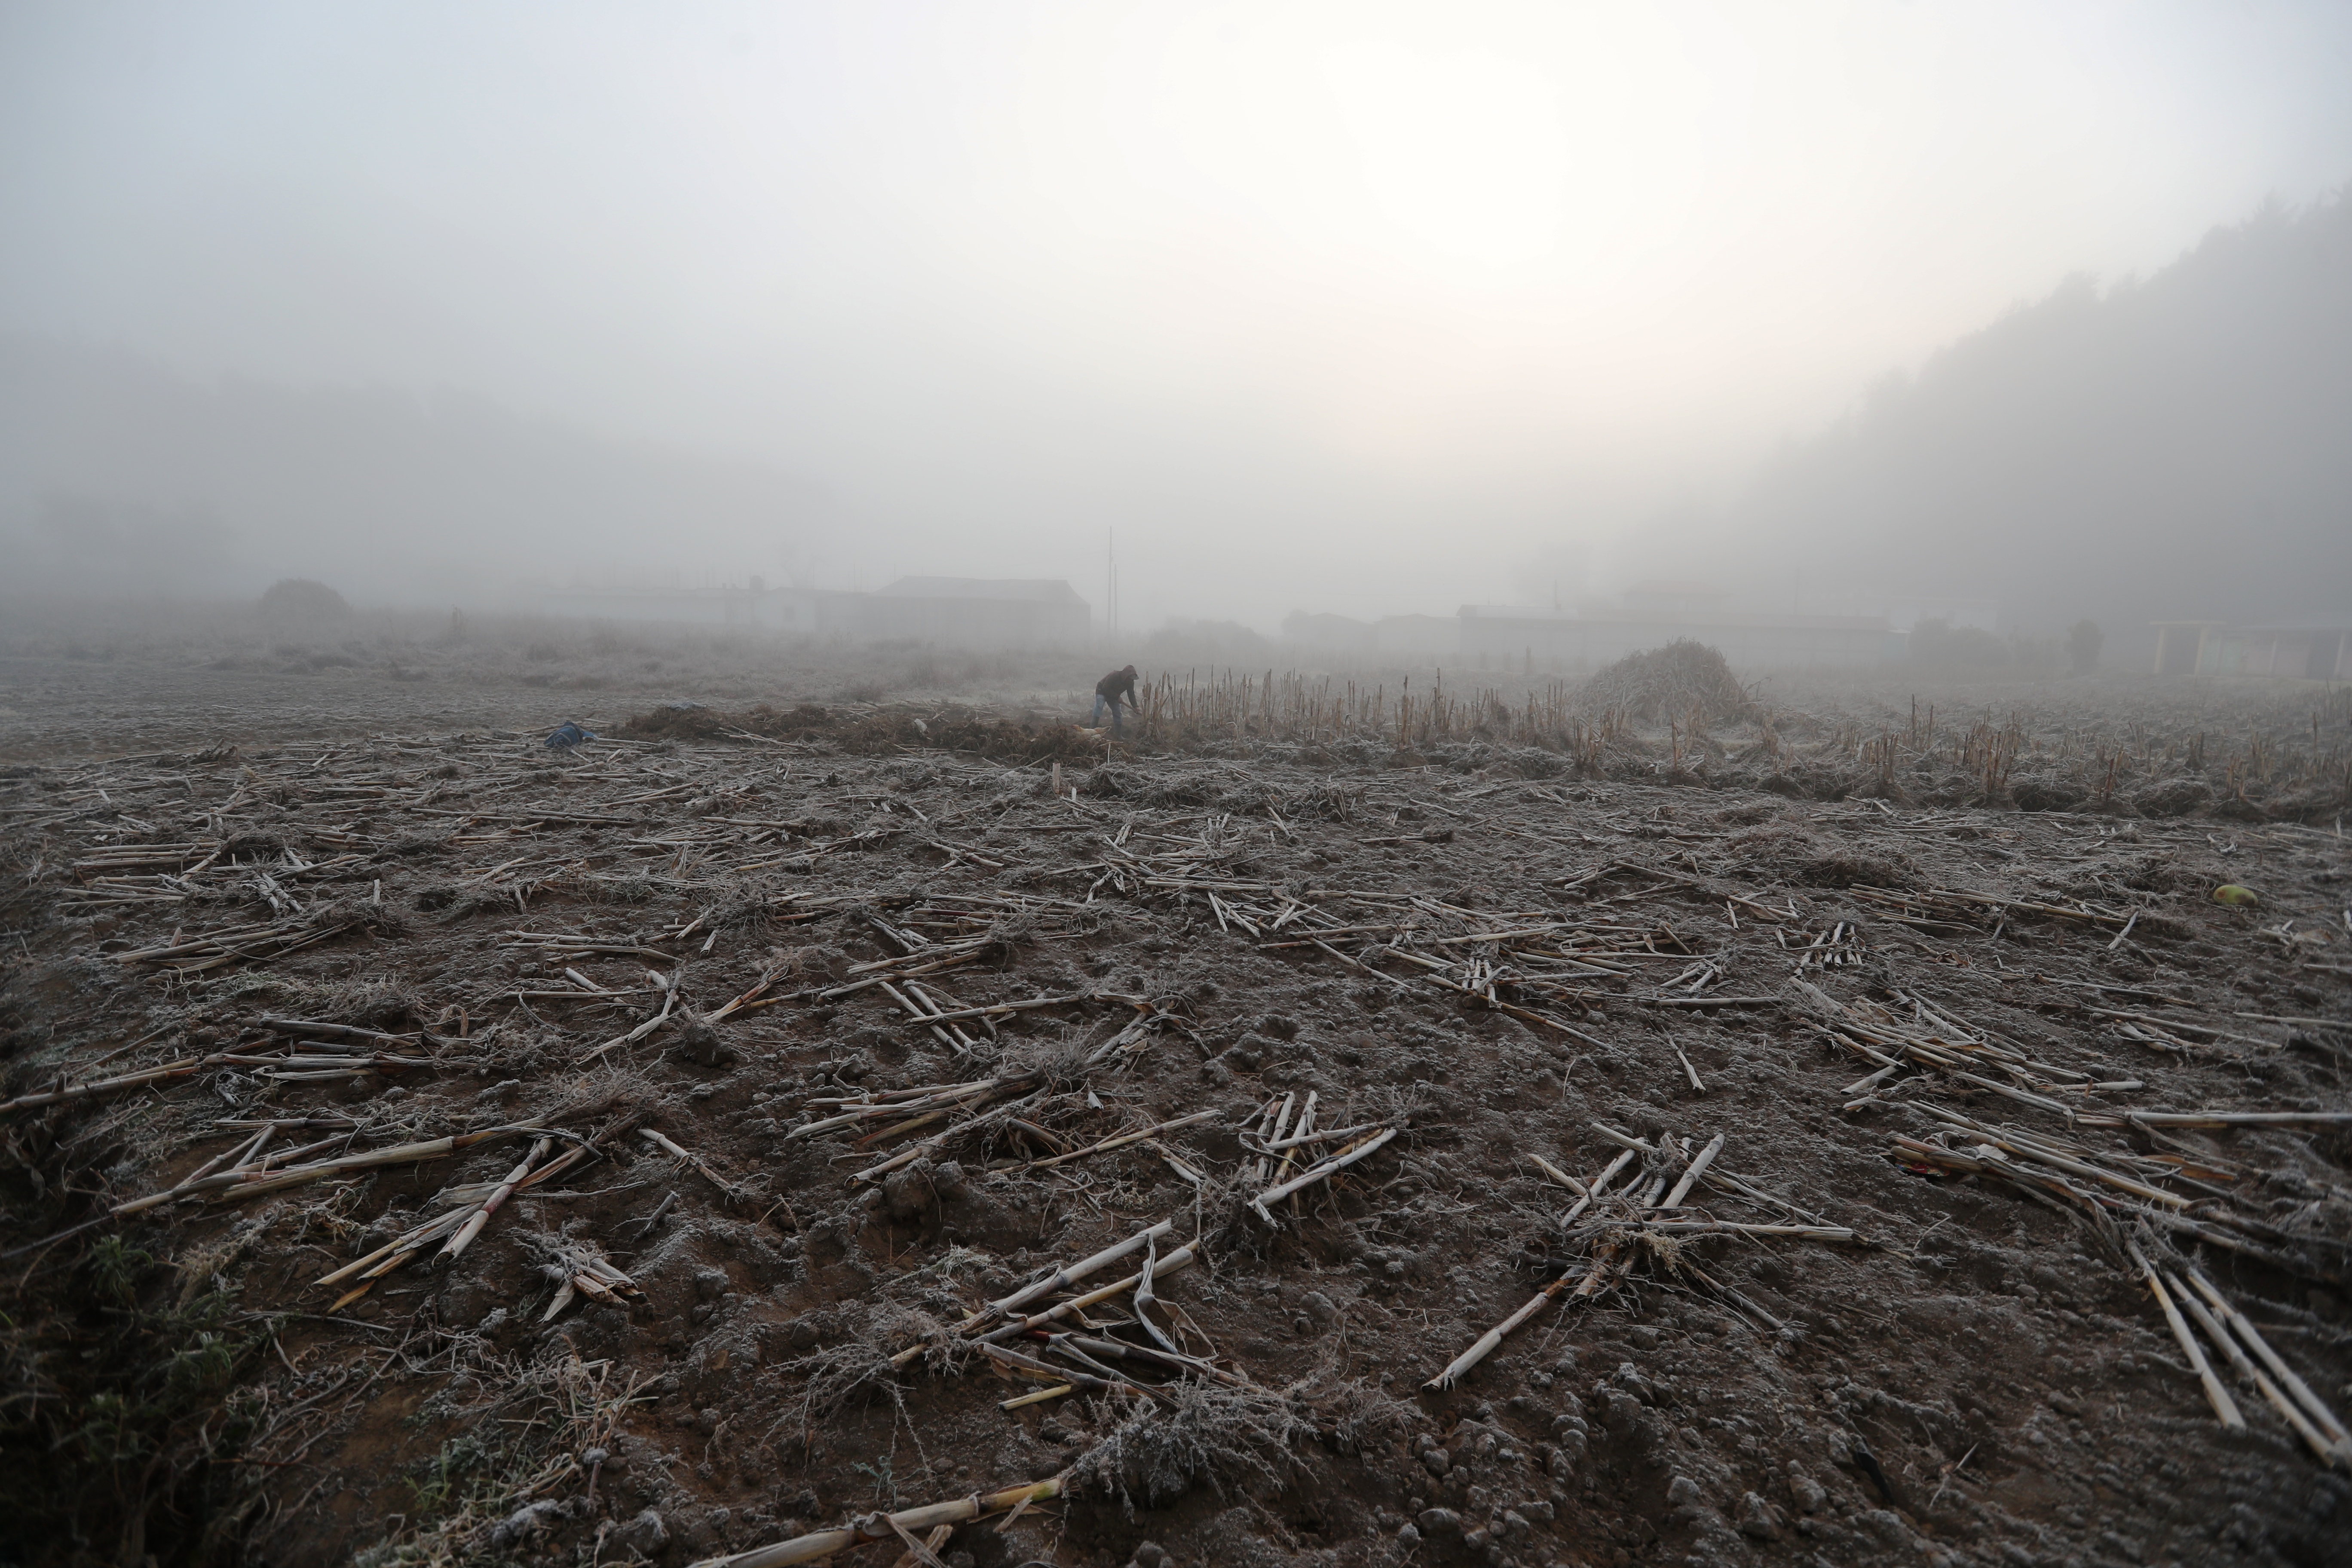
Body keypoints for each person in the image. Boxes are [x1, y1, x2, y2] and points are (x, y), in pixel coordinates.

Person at [1091, 665, 1139, 736]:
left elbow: (1131, 694)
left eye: (1133, 679)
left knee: (1118, 713)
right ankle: (1092, 731)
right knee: (1099, 706)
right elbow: (1105, 688)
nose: (1132, 680)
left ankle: (1118, 735)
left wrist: (1135, 706)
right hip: (1102, 691)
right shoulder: (1115, 676)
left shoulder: (1130, 682)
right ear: (1126, 676)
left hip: (1113, 696)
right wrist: (1117, 697)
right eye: (1131, 678)